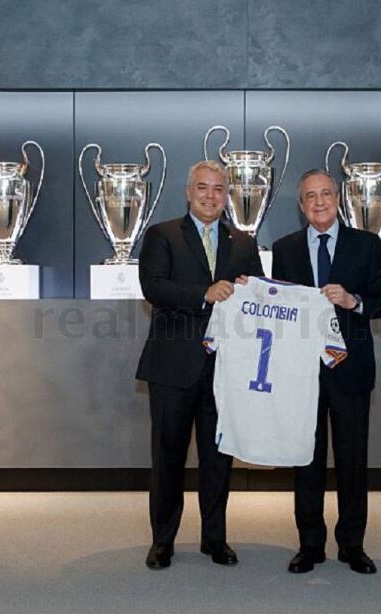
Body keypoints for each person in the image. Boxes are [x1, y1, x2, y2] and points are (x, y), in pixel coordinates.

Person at [135, 160, 264, 570]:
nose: (211, 196)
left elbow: (258, 298)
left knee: (217, 459)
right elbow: (154, 287)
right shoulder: (162, 234)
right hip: (173, 367)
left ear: (227, 196)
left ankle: (215, 538)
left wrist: (251, 291)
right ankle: (162, 541)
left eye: (219, 189)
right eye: (203, 188)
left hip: (226, 368)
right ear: (189, 193)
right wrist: (203, 294)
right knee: (167, 457)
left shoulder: (243, 242)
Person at [271, 168, 381, 574]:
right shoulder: (284, 248)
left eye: (326, 194)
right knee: (305, 461)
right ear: (302, 204)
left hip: (351, 371)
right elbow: (278, 308)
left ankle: (352, 546)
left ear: (338, 199)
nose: (319, 202)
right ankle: (310, 545)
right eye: (310, 196)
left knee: (351, 462)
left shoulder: (367, 244)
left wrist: (353, 301)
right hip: (302, 375)